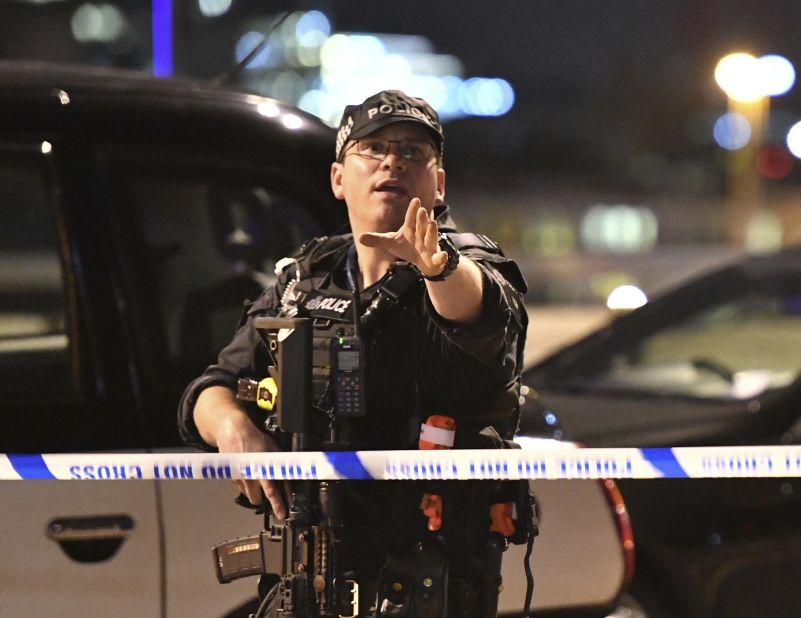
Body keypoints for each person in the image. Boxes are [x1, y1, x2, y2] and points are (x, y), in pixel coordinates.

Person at [178, 90, 530, 616]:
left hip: (428, 582)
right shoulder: (303, 279)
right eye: (373, 148)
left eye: (414, 152)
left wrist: (437, 267)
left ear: (439, 185)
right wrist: (231, 426)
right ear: (339, 179)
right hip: (310, 578)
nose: (393, 161)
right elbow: (211, 388)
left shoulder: (465, 267)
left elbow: (478, 315)